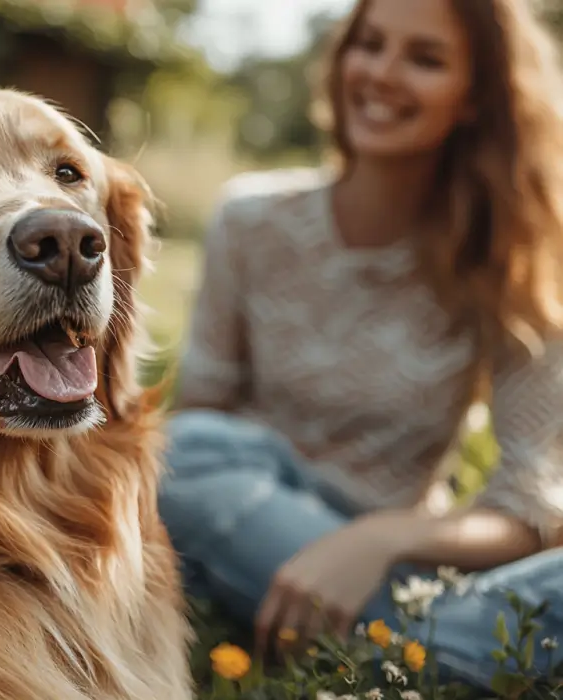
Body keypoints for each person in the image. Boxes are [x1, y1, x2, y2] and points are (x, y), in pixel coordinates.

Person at [158, 0, 563, 690]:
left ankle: (414, 641)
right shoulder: (250, 222)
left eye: (425, 59)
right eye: (369, 44)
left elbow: (530, 511)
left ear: (475, 100)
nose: (381, 73)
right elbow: (195, 437)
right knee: (185, 449)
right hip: (243, 526)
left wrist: (379, 538)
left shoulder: (509, 264)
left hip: (396, 564)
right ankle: (442, 649)